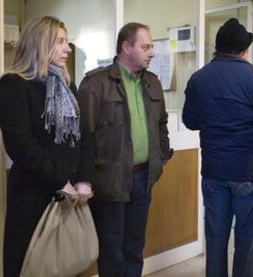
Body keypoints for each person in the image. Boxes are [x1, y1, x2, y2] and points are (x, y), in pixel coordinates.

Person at [0, 16, 94, 277]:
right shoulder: (14, 84)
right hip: (33, 196)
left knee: (65, 265)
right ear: (40, 43)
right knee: (31, 266)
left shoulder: (67, 84)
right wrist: (61, 180)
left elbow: (83, 136)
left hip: (70, 194)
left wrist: (84, 180)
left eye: (66, 41)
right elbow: (20, 145)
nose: (68, 48)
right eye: (60, 41)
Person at [77, 22, 172, 277]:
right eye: (146, 46)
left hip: (144, 178)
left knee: (134, 247)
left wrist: (161, 156)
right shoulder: (95, 84)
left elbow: (162, 124)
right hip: (109, 180)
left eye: (151, 47)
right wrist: (85, 178)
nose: (151, 52)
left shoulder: (152, 83)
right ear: (126, 47)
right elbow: (82, 135)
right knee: (112, 251)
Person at [182, 18, 253, 277]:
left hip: (213, 171)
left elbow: (189, 121)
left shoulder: (199, 78)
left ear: (218, 49)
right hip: (248, 171)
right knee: (248, 241)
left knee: (216, 238)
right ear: (244, 50)